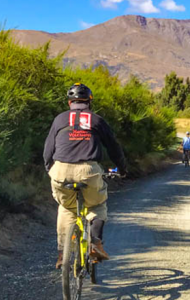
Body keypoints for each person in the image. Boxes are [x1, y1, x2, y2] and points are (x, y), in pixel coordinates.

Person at [43, 83, 127, 269]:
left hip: (60, 171)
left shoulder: (59, 119)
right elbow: (113, 147)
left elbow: (48, 149)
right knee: (97, 205)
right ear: (89, 102)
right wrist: (122, 169)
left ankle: (62, 255)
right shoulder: (97, 120)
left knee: (66, 208)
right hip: (88, 171)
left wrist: (51, 169)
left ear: (69, 102)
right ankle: (95, 243)